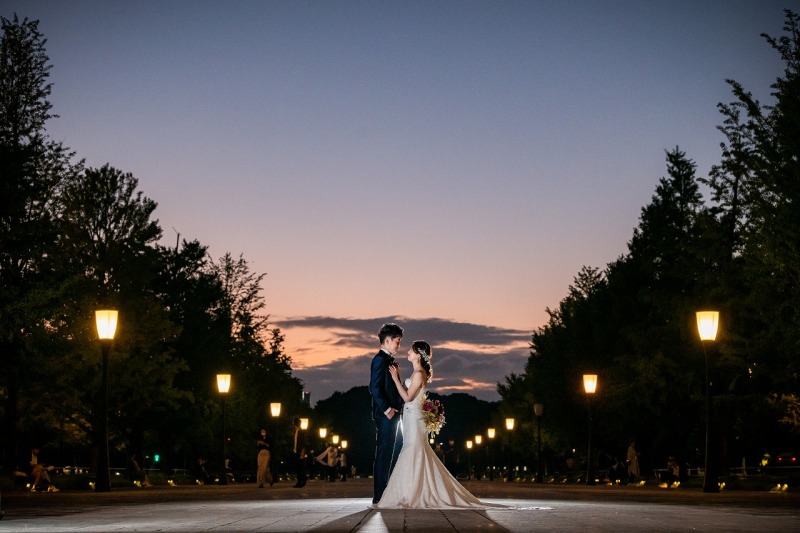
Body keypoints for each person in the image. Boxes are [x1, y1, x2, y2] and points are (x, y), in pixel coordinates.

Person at [375, 341, 488, 509]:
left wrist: (395, 378)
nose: (408, 352)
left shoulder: (419, 373)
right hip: (411, 416)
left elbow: (407, 398)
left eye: (411, 351)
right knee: (414, 450)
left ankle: (413, 493)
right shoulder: (418, 372)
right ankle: (413, 490)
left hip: (414, 417)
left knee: (412, 450)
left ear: (418, 355)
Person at [369, 322, 404, 504]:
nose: (399, 345)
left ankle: (384, 493)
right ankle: (379, 495)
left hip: (393, 414)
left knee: (389, 452)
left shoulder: (388, 361)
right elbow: (374, 388)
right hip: (385, 415)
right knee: (384, 453)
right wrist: (387, 409)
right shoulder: (379, 360)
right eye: (397, 341)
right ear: (388, 340)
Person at [291, 417, 308, 488]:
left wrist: (303, 452)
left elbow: (303, 442)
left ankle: (301, 480)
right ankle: (301, 480)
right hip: (296, 451)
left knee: (300, 467)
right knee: (298, 467)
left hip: (300, 452)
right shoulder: (296, 432)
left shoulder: (301, 432)